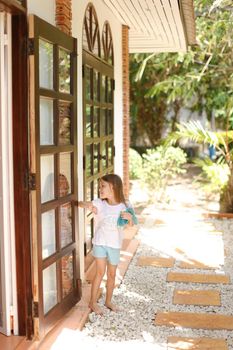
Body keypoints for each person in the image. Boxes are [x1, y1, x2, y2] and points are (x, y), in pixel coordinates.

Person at [77, 174, 137, 315]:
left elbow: (132, 224)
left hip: (114, 245)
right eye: (99, 186)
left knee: (111, 274)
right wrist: (89, 206)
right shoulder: (100, 203)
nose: (100, 189)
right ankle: (92, 302)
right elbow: (81, 203)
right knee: (99, 272)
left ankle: (108, 301)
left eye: (103, 186)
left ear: (113, 187)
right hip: (100, 243)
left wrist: (129, 219)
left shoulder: (125, 205)